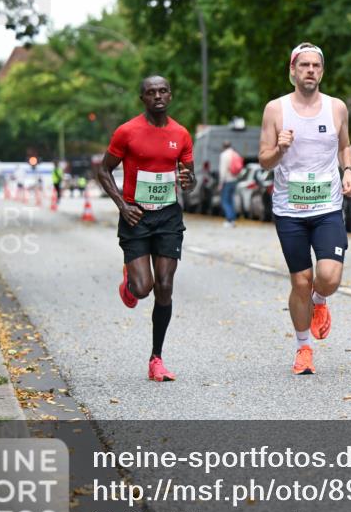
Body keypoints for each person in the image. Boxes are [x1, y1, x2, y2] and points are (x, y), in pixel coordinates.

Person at [259, 42, 351, 375]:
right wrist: (279, 149)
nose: (310, 70)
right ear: (292, 71)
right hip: (289, 209)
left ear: (322, 71)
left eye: (316, 65)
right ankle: (303, 348)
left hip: (327, 205)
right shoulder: (276, 109)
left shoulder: (336, 108)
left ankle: (320, 302)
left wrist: (348, 171)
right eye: (304, 65)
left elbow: (344, 147)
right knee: (301, 281)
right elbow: (263, 160)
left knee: (327, 279)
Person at [96, 75, 195, 382]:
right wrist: (122, 205)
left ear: (170, 95)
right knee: (143, 288)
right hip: (135, 216)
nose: (157, 96)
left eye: (163, 90)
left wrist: (189, 182)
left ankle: (156, 358)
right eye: (151, 92)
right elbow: (102, 169)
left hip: (167, 218)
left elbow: (188, 178)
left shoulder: (181, 134)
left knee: (164, 286)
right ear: (143, 98)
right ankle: (130, 283)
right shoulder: (127, 132)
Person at [218, 140, 244, 227]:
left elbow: (223, 170)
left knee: (225, 201)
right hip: (234, 180)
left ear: (223, 146)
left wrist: (220, 183)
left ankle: (229, 220)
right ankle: (233, 219)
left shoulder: (224, 155)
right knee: (231, 200)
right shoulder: (235, 153)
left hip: (227, 180)